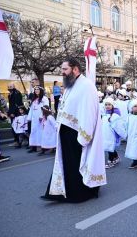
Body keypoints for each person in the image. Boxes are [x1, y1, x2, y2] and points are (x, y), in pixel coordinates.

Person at [42, 58, 106, 203]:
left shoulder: (86, 86)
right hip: (66, 131)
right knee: (68, 163)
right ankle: (62, 191)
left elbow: (89, 112)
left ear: (75, 69)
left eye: (65, 69)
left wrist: (84, 135)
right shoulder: (71, 85)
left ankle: (80, 193)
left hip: (78, 132)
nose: (62, 72)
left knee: (76, 163)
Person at [101, 97, 126, 169]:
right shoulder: (104, 115)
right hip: (105, 134)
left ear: (112, 106)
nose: (107, 106)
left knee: (110, 147)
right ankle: (116, 157)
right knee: (109, 147)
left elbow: (119, 127)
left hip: (111, 135)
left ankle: (110, 161)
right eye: (106, 104)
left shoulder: (115, 116)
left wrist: (123, 135)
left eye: (109, 104)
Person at [27, 86, 49, 153]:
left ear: (41, 90)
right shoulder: (34, 99)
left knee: (40, 132)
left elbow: (46, 107)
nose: (36, 90)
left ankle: (42, 146)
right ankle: (33, 146)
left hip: (40, 118)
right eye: (35, 89)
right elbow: (31, 109)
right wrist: (29, 117)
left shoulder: (44, 98)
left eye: (38, 89)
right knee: (33, 132)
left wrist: (42, 116)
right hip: (34, 119)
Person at [125, 99, 137, 168]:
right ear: (131, 108)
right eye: (135, 106)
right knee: (132, 148)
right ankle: (135, 161)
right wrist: (126, 134)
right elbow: (127, 126)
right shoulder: (129, 116)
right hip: (131, 135)